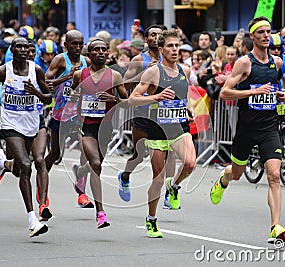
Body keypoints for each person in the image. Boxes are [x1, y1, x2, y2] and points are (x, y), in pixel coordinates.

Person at [209, 16, 285, 245]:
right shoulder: (244, 63)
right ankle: (224, 179)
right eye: (261, 32)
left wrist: (277, 94)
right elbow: (224, 93)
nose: (266, 35)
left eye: (268, 32)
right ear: (252, 37)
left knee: (274, 175)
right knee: (236, 174)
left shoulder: (277, 63)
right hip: (246, 128)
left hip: (268, 127)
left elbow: (269, 88)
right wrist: (252, 93)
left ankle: (275, 226)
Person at [129, 30, 196, 238]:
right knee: (157, 180)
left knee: (190, 163)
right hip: (157, 129)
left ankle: (174, 186)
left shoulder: (184, 70)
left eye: (177, 46)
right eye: (170, 46)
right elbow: (133, 99)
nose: (175, 50)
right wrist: (156, 96)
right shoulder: (153, 72)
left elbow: (184, 96)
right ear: (161, 50)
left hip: (178, 127)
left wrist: (189, 106)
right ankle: (151, 218)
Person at [0, 37, 52, 238]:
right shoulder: (3, 70)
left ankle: (2, 163)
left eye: (26, 47)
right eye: (19, 47)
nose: (23, 50)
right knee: (25, 165)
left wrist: (37, 93)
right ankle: (33, 219)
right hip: (10, 123)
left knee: (18, 169)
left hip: (31, 123)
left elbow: (49, 96)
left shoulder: (36, 70)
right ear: (12, 50)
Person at [70, 38, 128, 228]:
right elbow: (72, 94)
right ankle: (100, 213)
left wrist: (113, 98)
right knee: (96, 165)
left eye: (104, 49)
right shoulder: (80, 74)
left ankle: (79, 171)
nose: (102, 52)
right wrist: (76, 97)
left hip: (105, 127)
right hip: (85, 125)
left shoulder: (115, 76)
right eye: (97, 50)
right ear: (89, 54)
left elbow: (127, 102)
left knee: (96, 163)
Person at [44, 30, 93, 208]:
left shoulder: (86, 62)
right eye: (74, 44)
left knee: (87, 151)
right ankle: (42, 187)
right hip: (59, 114)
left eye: (81, 44)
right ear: (66, 45)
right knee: (55, 154)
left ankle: (82, 193)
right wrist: (67, 76)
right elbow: (46, 82)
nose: (78, 47)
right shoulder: (59, 59)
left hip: (78, 115)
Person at [119, 24, 167, 202]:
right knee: (139, 155)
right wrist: (146, 73)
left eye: (159, 35)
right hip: (143, 112)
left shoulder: (168, 57)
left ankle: (168, 192)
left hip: (163, 114)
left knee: (165, 155)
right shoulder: (139, 59)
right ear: (146, 40)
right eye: (152, 35)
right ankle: (124, 177)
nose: (156, 37)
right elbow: (124, 86)